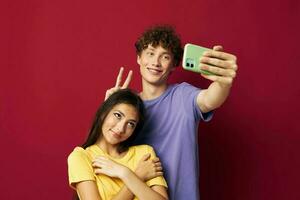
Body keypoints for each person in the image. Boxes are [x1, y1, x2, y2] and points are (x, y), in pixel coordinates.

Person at [105, 25, 238, 200]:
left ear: (174, 64)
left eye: (165, 56)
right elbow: (105, 153)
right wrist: (108, 111)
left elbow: (210, 99)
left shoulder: (183, 96)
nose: (155, 62)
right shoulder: (128, 111)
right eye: (150, 53)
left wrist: (223, 82)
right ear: (139, 58)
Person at [67, 89, 169, 200]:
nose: (121, 129)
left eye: (130, 124)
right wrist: (137, 176)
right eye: (118, 115)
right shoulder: (81, 157)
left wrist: (125, 173)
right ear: (103, 113)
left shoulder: (145, 154)